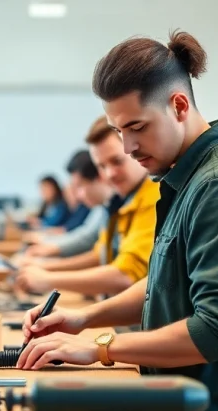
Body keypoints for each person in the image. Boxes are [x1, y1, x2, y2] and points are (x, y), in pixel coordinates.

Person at [16, 30, 218, 411]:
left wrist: (101, 349)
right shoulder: (189, 177)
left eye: (137, 127)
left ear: (179, 105)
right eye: (118, 131)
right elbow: (164, 284)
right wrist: (83, 318)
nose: (128, 147)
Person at [14, 117, 158, 297]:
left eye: (117, 161)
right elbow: (100, 255)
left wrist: (49, 278)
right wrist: (45, 268)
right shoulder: (122, 200)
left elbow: (126, 275)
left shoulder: (154, 196)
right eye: (102, 166)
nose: (109, 174)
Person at [21, 150, 110, 260]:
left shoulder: (91, 208)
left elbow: (85, 239)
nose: (78, 195)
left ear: (100, 177)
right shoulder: (102, 208)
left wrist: (47, 245)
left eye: (80, 186)